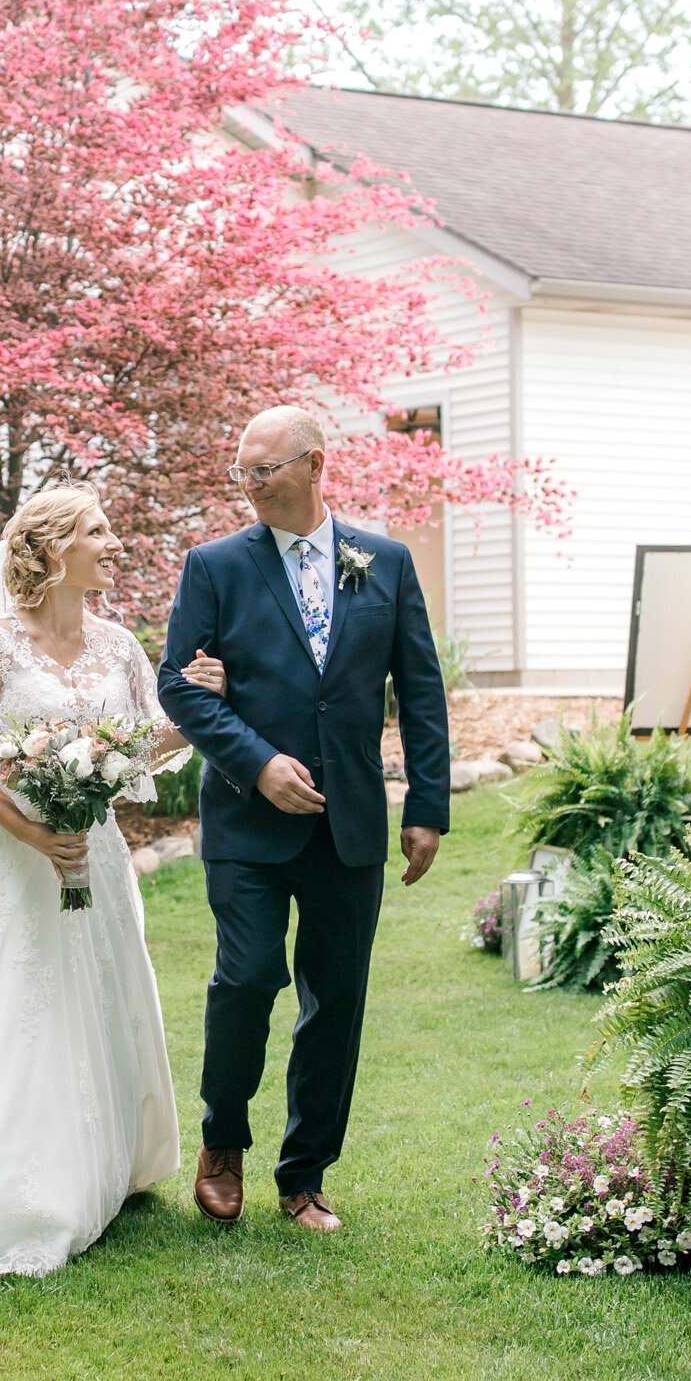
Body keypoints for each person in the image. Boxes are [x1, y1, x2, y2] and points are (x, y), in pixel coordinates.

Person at [0, 487, 219, 1282]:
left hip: (91, 855)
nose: (114, 543)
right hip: (3, 862)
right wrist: (37, 834)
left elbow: (138, 746)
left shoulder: (120, 646)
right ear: (55, 548)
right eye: (98, 531)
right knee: (1, 1013)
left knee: (87, 1005)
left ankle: (90, 1156)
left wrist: (198, 698)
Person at [157, 406, 450, 1234]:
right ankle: (222, 1142)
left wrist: (426, 805)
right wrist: (256, 761)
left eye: (264, 471)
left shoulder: (383, 562)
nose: (250, 487)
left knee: (337, 1000)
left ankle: (305, 1173)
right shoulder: (214, 566)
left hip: (349, 822)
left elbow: (420, 690)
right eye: (241, 473)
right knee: (246, 979)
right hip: (249, 822)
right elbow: (177, 684)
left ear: (313, 465)